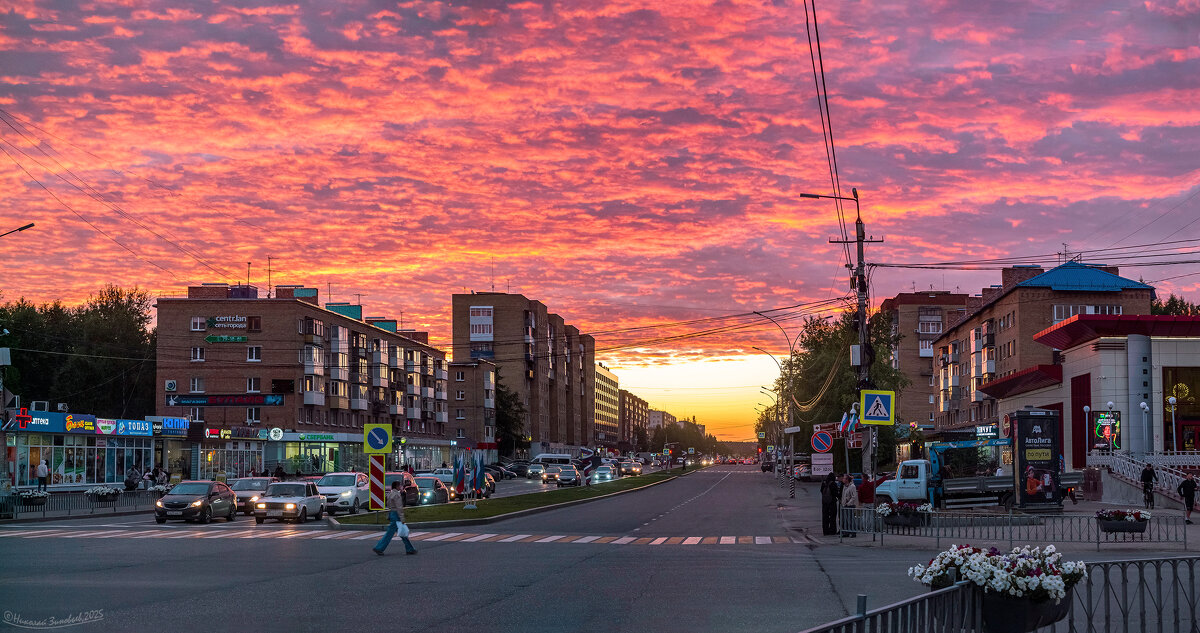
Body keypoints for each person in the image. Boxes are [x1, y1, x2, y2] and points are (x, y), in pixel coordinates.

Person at [373, 481, 417, 556]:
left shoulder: (390, 494)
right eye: (399, 486)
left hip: (392, 513)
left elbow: (388, 504)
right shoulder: (397, 494)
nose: (401, 487)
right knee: (391, 533)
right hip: (396, 515)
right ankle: (379, 548)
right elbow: (399, 507)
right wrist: (402, 518)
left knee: (402, 532)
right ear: (396, 486)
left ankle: (410, 548)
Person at [839, 474, 859, 538]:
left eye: (844, 478)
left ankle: (853, 532)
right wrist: (843, 503)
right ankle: (846, 532)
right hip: (844, 505)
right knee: (845, 519)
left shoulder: (852, 486)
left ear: (847, 480)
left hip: (850, 505)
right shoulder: (844, 486)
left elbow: (854, 496)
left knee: (850, 519)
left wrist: (848, 503)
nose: (843, 479)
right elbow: (843, 495)